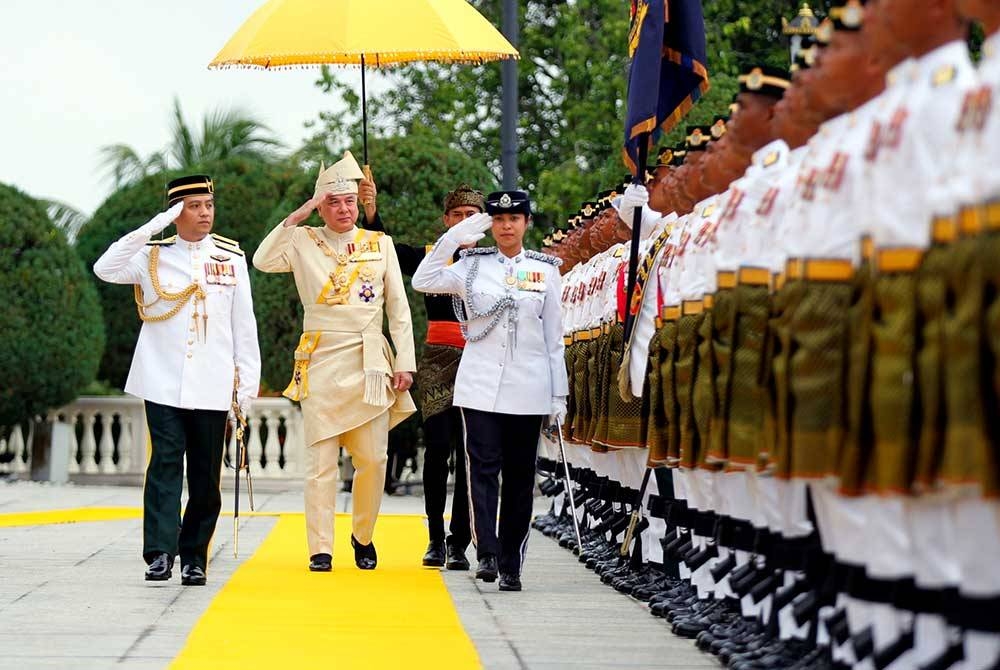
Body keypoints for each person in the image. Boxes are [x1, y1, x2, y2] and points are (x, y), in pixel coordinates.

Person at [93, 174, 261, 586]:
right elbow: (104, 267)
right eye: (194, 206)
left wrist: (246, 388)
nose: (205, 213)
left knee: (205, 473)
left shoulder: (231, 259)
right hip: (162, 379)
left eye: (209, 205)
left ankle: (194, 556)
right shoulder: (151, 255)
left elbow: (244, 327)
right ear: (175, 212)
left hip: (212, 380)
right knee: (165, 464)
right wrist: (154, 226)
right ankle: (159, 553)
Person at [252, 151, 416, 572]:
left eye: (349, 201)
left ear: (359, 203)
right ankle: (319, 548)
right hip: (322, 359)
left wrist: (405, 362)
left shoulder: (379, 245)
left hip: (369, 361)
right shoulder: (304, 241)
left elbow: (398, 308)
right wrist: (299, 214)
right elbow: (263, 260)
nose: (342, 210)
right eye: (332, 202)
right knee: (320, 462)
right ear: (320, 206)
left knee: (374, 459)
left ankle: (362, 535)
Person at [412, 190, 568, 592]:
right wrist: (457, 236)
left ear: (526, 223)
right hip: (480, 386)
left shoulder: (545, 272)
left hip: (529, 387)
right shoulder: (470, 266)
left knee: (518, 477)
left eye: (514, 218)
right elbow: (422, 279)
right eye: (498, 219)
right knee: (481, 470)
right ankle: (487, 551)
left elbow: (554, 340)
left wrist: (558, 396)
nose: (506, 226)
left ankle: (512, 560)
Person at [362, 182, 484, 570]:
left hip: (479, 359)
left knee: (470, 453)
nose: (464, 223)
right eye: (458, 216)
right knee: (438, 449)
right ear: (446, 220)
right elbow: (384, 249)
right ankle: (435, 537)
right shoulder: (431, 258)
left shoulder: (495, 263)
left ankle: (461, 540)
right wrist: (369, 211)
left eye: (472, 216)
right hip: (437, 359)